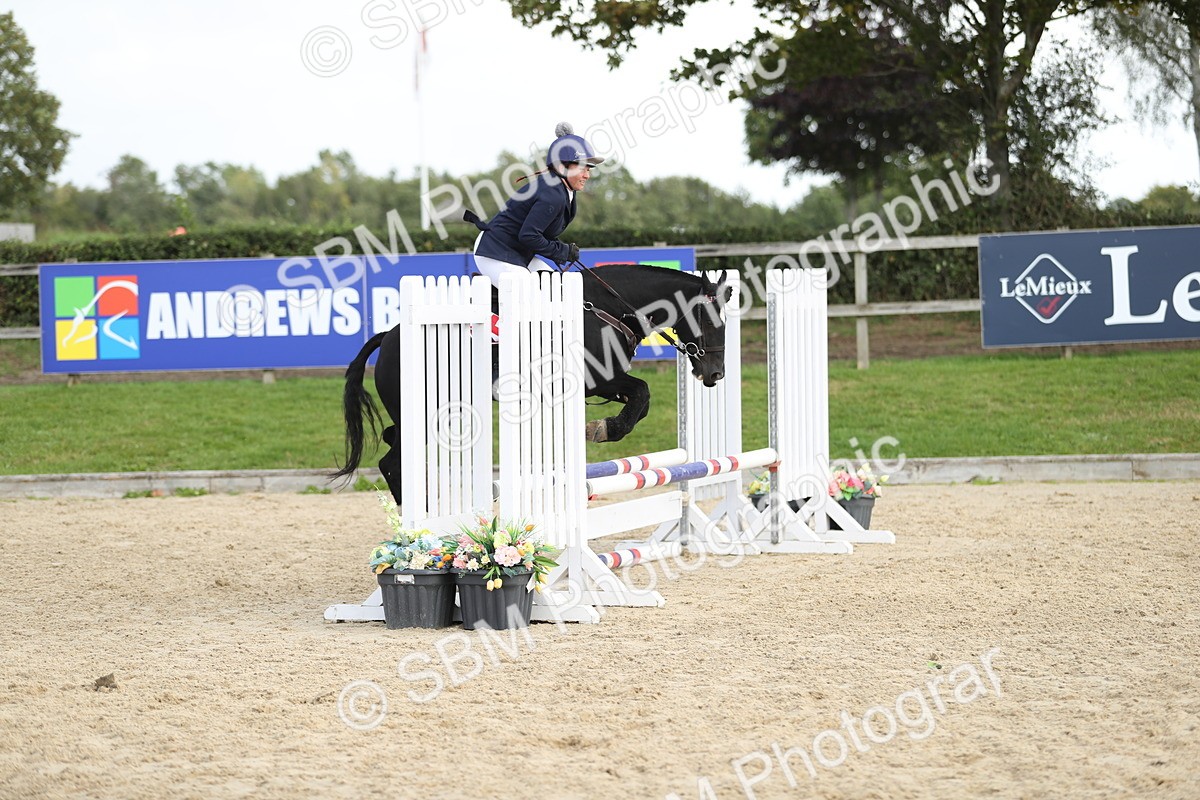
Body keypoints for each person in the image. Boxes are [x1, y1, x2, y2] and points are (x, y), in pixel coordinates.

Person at [465, 122, 604, 283]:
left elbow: (540, 233)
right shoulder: (553, 194)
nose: (587, 175)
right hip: (494, 251)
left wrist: (562, 249)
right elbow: (529, 236)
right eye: (582, 168)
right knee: (527, 287)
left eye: (588, 169)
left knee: (554, 284)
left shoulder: (564, 191)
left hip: (518, 252)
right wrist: (562, 251)